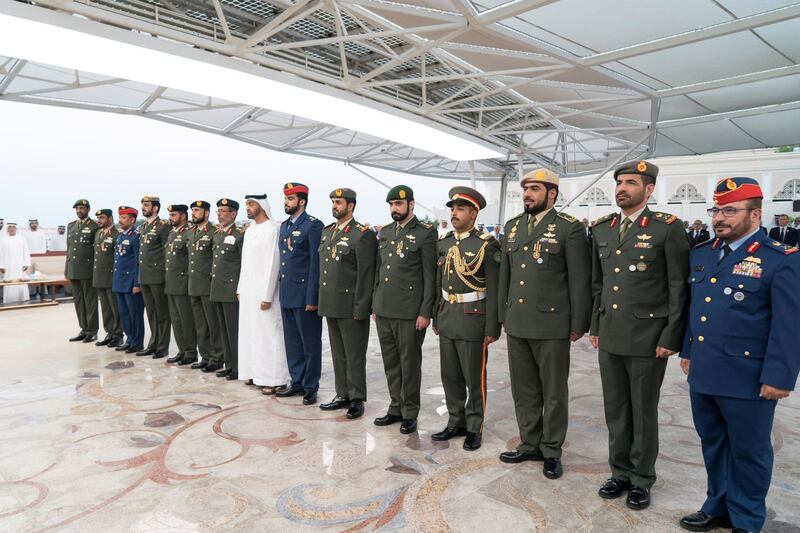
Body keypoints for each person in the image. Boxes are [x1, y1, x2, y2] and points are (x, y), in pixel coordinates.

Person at [678, 177, 800, 533]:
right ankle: (717, 504)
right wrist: (688, 349)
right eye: (716, 210)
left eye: (730, 210)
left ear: (755, 214)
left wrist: (779, 377)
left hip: (749, 376)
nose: (720, 218)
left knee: (749, 451)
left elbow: (788, 325)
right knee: (714, 443)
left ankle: (746, 519)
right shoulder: (702, 253)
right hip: (704, 369)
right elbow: (695, 308)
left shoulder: (780, 259)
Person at [589, 160, 690, 510]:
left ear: (648, 190)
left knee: (643, 410)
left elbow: (678, 287)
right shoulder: (602, 229)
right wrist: (595, 326)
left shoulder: (666, 228)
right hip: (611, 334)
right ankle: (619, 471)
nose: (621, 188)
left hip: (648, 337)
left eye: (630, 182)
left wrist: (670, 336)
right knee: (615, 409)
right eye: (619, 182)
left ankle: (642, 478)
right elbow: (597, 284)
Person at [497, 169, 592, 479]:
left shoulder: (569, 229)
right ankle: (529, 443)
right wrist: (502, 316)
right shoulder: (512, 228)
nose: (527, 194)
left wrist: (579, 322)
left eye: (534, 189)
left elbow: (579, 280)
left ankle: (551, 449)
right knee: (524, 390)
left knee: (552, 391)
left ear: (551, 194)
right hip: (518, 322)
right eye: (525, 189)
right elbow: (505, 279)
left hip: (552, 323)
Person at [431, 187, 501, 451]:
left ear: (474, 212)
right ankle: (455, 421)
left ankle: (474, 426)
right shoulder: (445, 243)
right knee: (450, 375)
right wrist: (436, 315)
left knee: (474, 377)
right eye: (452, 209)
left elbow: (494, 289)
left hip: (474, 318)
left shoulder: (487, 244)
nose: (454, 213)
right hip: (448, 316)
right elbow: (440, 283)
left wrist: (493, 326)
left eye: (460, 209)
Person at [372, 185, 437, 434]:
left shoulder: (425, 234)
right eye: (391, 205)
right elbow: (380, 271)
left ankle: (410, 412)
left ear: (411, 204)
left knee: (409, 364)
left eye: (398, 204)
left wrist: (425, 312)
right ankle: (395, 407)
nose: (394, 209)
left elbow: (429, 277)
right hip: (385, 309)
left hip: (410, 312)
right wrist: (376, 304)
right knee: (391, 363)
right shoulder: (387, 232)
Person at [317, 188, 377, 420]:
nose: (335, 206)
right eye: (333, 201)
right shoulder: (327, 232)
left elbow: (366, 274)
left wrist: (362, 307)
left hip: (351, 305)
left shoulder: (362, 235)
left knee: (354, 354)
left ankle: (357, 398)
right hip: (331, 303)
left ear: (350, 206)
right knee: (338, 353)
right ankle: (342, 393)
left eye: (339, 202)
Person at [275, 183, 324, 405]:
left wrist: (312, 298)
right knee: (293, 343)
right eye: (285, 199)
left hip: (305, 295)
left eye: (291, 199)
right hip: (287, 293)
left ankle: (310, 386)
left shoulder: (313, 225)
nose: (286, 202)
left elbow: (316, 263)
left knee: (310, 343)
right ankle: (297, 381)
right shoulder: (284, 226)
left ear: (302, 201)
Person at [237, 194, 290, 393]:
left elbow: (274, 263)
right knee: (252, 332)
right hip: (249, 291)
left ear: (261, 206)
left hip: (266, 293)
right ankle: (254, 373)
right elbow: (245, 263)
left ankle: (275, 378)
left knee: (270, 334)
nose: (248, 208)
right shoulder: (250, 230)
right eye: (247, 205)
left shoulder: (273, 229)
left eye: (251, 204)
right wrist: (240, 288)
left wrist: (267, 295)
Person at [186, 200, 225, 373]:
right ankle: (205, 356)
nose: (193, 213)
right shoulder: (191, 232)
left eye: (197, 210)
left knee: (213, 324)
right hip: (194, 284)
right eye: (192, 210)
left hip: (208, 285)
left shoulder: (213, 232)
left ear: (206, 213)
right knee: (200, 324)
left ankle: (217, 358)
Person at [210, 198, 245, 380]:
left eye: (223, 211)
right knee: (223, 329)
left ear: (233, 214)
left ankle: (238, 367)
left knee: (233, 331)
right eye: (218, 210)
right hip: (217, 288)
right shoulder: (217, 234)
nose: (220, 213)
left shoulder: (239, 234)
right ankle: (228, 364)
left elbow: (243, 264)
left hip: (231, 290)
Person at [136, 196, 172, 359]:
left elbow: (166, 253)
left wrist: (165, 274)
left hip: (158, 276)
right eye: (143, 205)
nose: (143, 208)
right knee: (151, 312)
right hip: (145, 276)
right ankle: (153, 343)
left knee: (162, 313)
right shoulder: (143, 226)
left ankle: (162, 346)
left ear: (156, 208)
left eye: (147, 205)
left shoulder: (163, 226)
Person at [164, 205, 198, 366]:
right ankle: (182, 350)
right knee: (176, 320)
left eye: (174, 214)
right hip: (170, 283)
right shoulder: (172, 233)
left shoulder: (188, 233)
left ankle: (191, 352)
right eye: (170, 214)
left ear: (183, 216)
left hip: (183, 283)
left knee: (186, 320)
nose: (171, 217)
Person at [65, 199, 99, 343]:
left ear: (88, 209)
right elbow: (69, 249)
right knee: (78, 301)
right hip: (74, 270)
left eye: (82, 208)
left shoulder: (94, 226)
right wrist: (67, 269)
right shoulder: (71, 226)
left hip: (87, 270)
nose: (79, 211)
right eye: (77, 208)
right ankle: (83, 329)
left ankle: (92, 331)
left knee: (90, 301)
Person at [113, 206, 145, 353]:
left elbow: (137, 262)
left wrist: (137, 283)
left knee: (135, 314)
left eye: (124, 218)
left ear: (132, 220)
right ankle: (130, 339)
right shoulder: (121, 236)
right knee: (124, 313)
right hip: (120, 281)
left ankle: (137, 342)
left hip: (131, 283)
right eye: (120, 217)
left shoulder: (136, 236)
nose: (120, 220)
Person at [92, 209, 123, 348]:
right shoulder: (98, 233)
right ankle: (109, 332)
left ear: (110, 218)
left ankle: (118, 335)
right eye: (98, 218)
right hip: (99, 276)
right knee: (105, 308)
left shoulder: (117, 234)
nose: (99, 220)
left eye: (102, 218)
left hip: (111, 277)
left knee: (114, 307)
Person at [0, 223, 31, 303]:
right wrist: (1, 265)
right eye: (9, 227)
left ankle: (23, 298)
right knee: (8, 281)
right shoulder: (3, 239)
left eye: (13, 227)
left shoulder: (22, 239)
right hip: (8, 266)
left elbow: (26, 251)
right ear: (7, 229)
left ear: (16, 229)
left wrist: (26, 263)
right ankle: (9, 299)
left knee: (21, 281)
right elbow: (1, 254)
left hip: (20, 265)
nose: (11, 229)